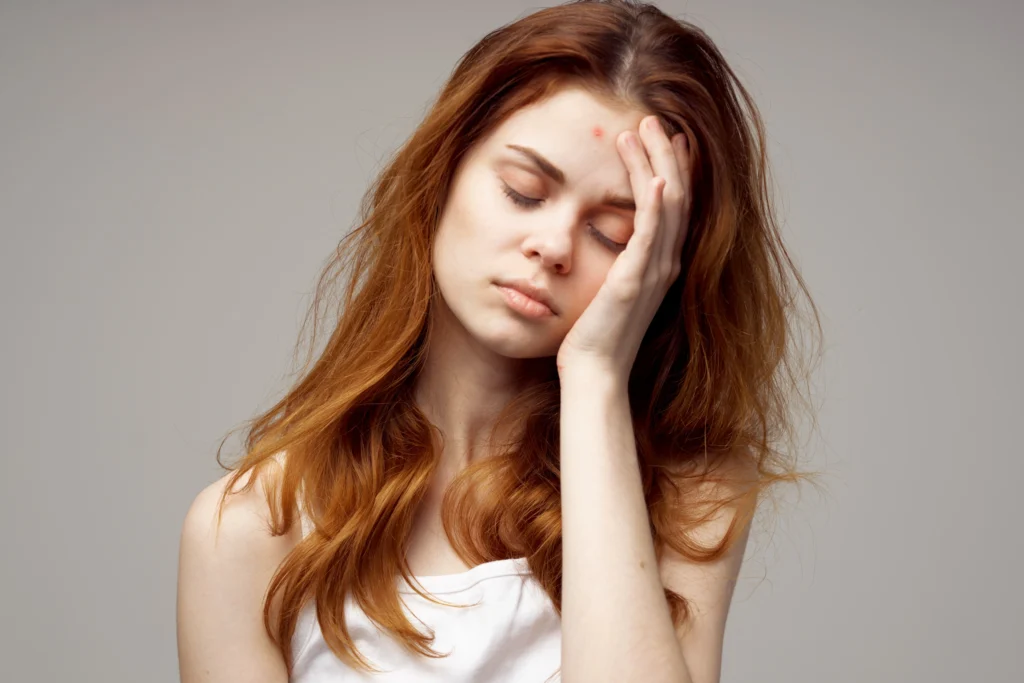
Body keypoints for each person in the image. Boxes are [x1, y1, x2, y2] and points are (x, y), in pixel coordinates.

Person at [176, 1, 823, 681]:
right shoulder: (250, 529)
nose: (551, 247)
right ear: (444, 172)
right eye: (523, 191)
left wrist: (596, 377)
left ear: (661, 263)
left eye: (613, 232)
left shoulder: (691, 491)